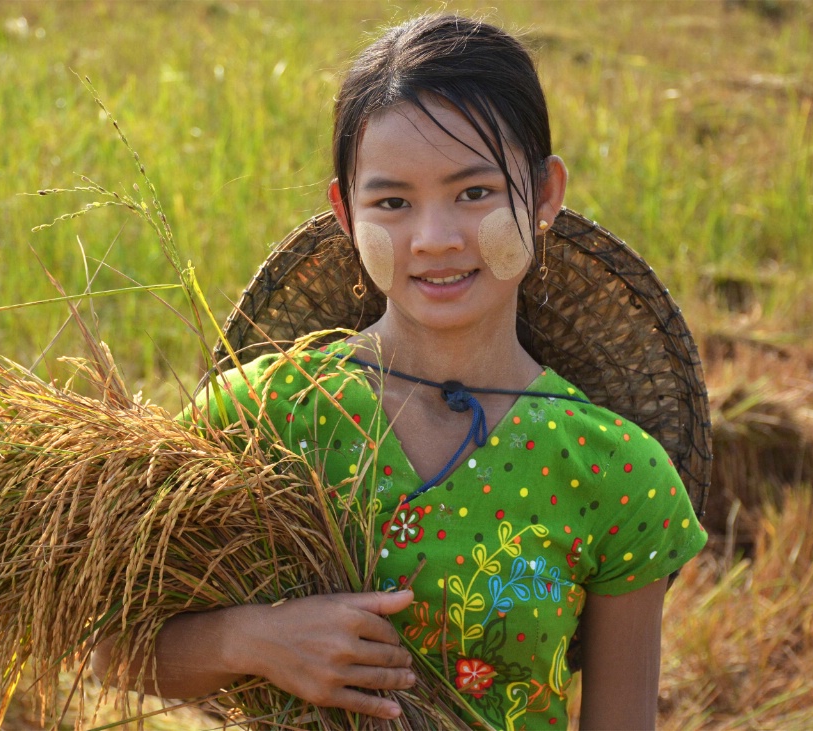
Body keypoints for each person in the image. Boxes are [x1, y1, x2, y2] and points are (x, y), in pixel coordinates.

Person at [94, 13, 707, 730]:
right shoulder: (262, 415)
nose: (435, 239)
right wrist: (257, 638)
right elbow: (112, 649)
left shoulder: (617, 471)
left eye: (474, 192)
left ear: (544, 196)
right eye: (392, 202)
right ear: (344, 213)